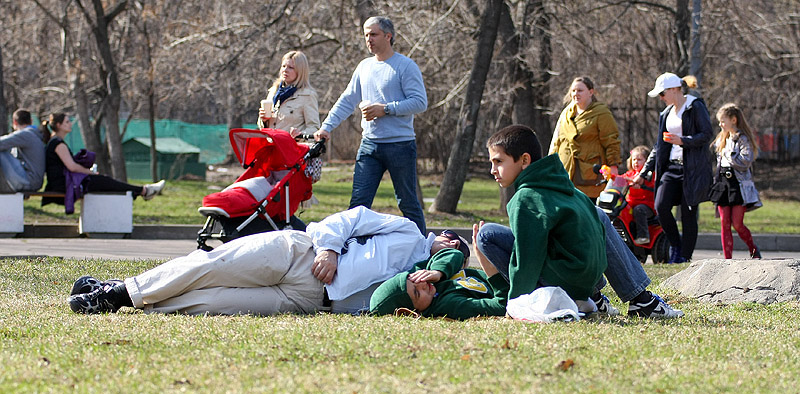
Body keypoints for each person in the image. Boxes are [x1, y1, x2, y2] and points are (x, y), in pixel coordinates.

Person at [66, 206, 469, 316]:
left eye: (456, 248)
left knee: (211, 303)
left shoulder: (428, 284)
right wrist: (328, 248)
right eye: (451, 237)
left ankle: (137, 298)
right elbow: (351, 218)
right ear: (441, 235)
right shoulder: (408, 231)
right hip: (299, 255)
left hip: (309, 302)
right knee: (210, 266)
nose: (449, 241)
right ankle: (118, 293)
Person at [477, 125, 683, 319]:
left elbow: (528, 258)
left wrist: (516, 303)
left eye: (498, 161)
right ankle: (618, 299)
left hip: (566, 283)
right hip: (585, 278)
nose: (493, 170)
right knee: (598, 213)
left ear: (524, 160)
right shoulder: (561, 184)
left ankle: (583, 299)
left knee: (486, 235)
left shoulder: (525, 199)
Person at [313, 16, 428, 235]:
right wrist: (327, 127)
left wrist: (385, 109)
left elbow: (420, 102)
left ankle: (424, 251)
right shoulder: (364, 67)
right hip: (369, 146)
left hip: (400, 146)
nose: (369, 39)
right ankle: (349, 252)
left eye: (373, 34)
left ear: (388, 36)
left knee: (407, 202)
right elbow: (347, 100)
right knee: (358, 203)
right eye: (366, 35)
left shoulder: (405, 66)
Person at [637, 73, 713, 264]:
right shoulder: (666, 114)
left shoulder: (695, 106)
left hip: (691, 169)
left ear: (673, 90)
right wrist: (646, 171)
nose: (661, 98)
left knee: (688, 213)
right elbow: (658, 146)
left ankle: (684, 256)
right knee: (660, 206)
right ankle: (676, 245)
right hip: (671, 168)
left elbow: (706, 134)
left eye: (662, 94)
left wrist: (683, 141)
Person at [43, 113, 165, 213]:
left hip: (65, 182)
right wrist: (90, 172)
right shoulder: (57, 143)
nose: (70, 124)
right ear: (59, 125)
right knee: (105, 181)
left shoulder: (56, 142)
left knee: (105, 181)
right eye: (67, 122)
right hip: (62, 184)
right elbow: (72, 167)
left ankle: (142, 190)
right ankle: (144, 190)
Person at [369, 244, 507, 320]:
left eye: (413, 278)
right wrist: (491, 270)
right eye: (417, 293)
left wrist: (438, 272)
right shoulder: (449, 305)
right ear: (412, 312)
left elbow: (455, 253)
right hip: (515, 289)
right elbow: (502, 307)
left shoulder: (427, 277)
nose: (422, 283)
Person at [548, 76, 622, 200]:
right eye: (573, 91)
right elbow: (556, 142)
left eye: (580, 90)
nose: (576, 94)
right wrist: (550, 166)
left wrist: (613, 166)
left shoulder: (601, 113)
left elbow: (611, 140)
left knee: (589, 212)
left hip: (590, 175)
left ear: (591, 92)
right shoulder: (566, 114)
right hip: (565, 173)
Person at [709, 103, 762, 259]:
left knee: (737, 223)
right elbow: (717, 159)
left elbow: (746, 161)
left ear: (733, 120)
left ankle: (753, 249)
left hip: (738, 185)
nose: (720, 125)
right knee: (724, 222)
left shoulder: (743, 139)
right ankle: (727, 260)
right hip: (723, 184)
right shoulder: (721, 139)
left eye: (723, 121)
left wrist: (729, 155)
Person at [257, 50, 320, 137]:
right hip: (271, 146)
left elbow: (314, 128)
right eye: (283, 66)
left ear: (300, 71)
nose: (285, 70)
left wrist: (300, 135)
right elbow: (263, 127)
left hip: (291, 148)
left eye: (291, 67)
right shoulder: (274, 91)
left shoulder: (307, 95)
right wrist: (263, 120)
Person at [0, 109, 46, 193]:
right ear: (31, 121)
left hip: (28, 181)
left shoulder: (26, 134)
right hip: (33, 181)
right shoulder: (33, 133)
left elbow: (2, 142)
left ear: (15, 122)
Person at [623, 145, 656, 245]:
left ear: (647, 162)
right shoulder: (629, 174)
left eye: (639, 160)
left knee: (639, 210)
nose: (636, 162)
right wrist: (609, 176)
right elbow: (620, 180)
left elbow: (653, 184)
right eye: (634, 160)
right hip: (631, 203)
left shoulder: (650, 175)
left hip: (647, 205)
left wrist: (643, 185)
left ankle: (643, 236)